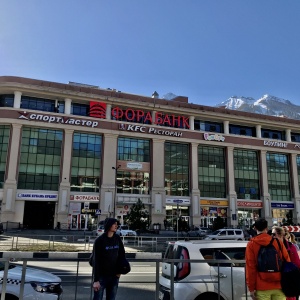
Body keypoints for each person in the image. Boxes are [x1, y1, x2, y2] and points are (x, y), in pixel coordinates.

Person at [245, 218, 290, 300]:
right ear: (267, 228)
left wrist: (251, 288)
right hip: (279, 285)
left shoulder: (251, 244)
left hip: (261, 286)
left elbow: (250, 268)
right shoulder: (278, 242)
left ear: (255, 228)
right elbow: (287, 261)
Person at [92, 218, 126, 300]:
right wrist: (96, 280)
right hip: (101, 278)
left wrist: (119, 272)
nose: (116, 226)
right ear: (108, 225)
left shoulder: (117, 239)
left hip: (114, 277)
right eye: (114, 224)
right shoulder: (99, 241)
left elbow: (122, 255)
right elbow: (96, 261)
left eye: (116, 224)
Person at [273, 227, 300, 300]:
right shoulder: (291, 246)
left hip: (285, 279)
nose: (272, 236)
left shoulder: (289, 246)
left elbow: (297, 263)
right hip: (286, 280)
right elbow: (297, 264)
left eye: (273, 234)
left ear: (279, 235)